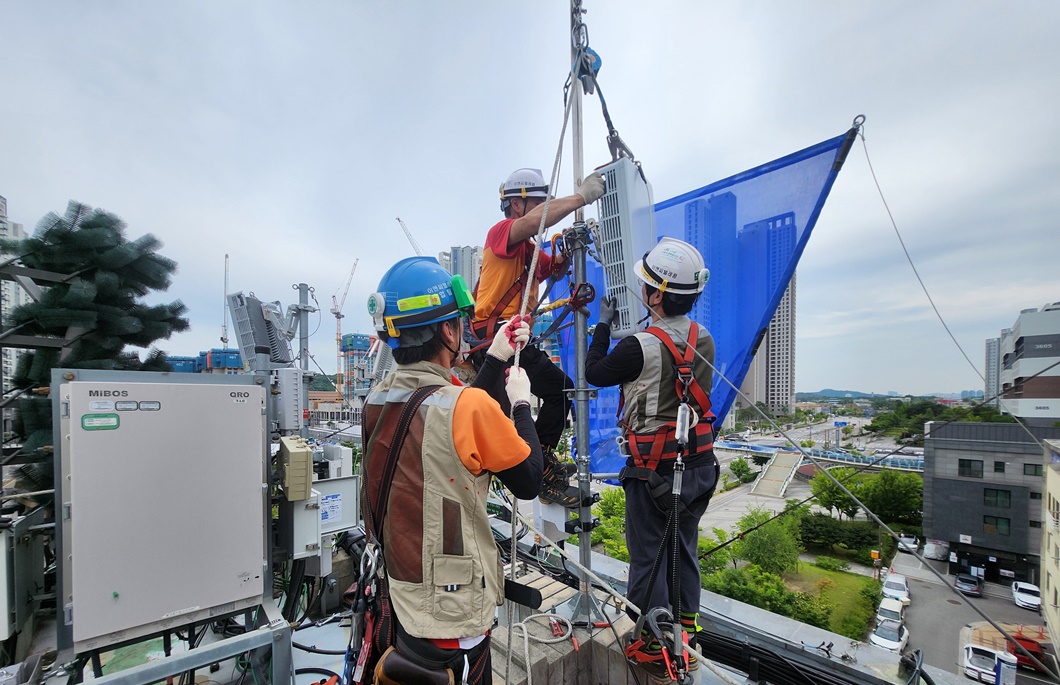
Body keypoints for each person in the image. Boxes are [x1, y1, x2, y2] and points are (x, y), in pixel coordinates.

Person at [361, 256, 543, 685]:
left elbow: (445, 419)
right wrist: (520, 403)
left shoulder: (377, 399)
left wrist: (495, 358)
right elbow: (529, 479)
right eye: (458, 321)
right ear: (447, 330)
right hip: (452, 616)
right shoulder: (469, 406)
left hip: (398, 598)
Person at [584, 237, 720, 681]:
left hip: (653, 469)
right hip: (698, 466)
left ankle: (652, 643)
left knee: (648, 555)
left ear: (656, 294)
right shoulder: (706, 340)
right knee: (683, 548)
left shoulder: (638, 345)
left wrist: (602, 325)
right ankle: (685, 632)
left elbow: (594, 372)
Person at [471, 167, 605, 507]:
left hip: (513, 338)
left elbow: (550, 266)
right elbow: (535, 224)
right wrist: (581, 198)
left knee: (559, 391)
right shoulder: (502, 234)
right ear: (517, 205)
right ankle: (539, 474)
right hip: (500, 341)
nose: (545, 209)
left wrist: (565, 255)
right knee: (518, 414)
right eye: (539, 203)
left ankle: (541, 460)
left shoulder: (529, 252)